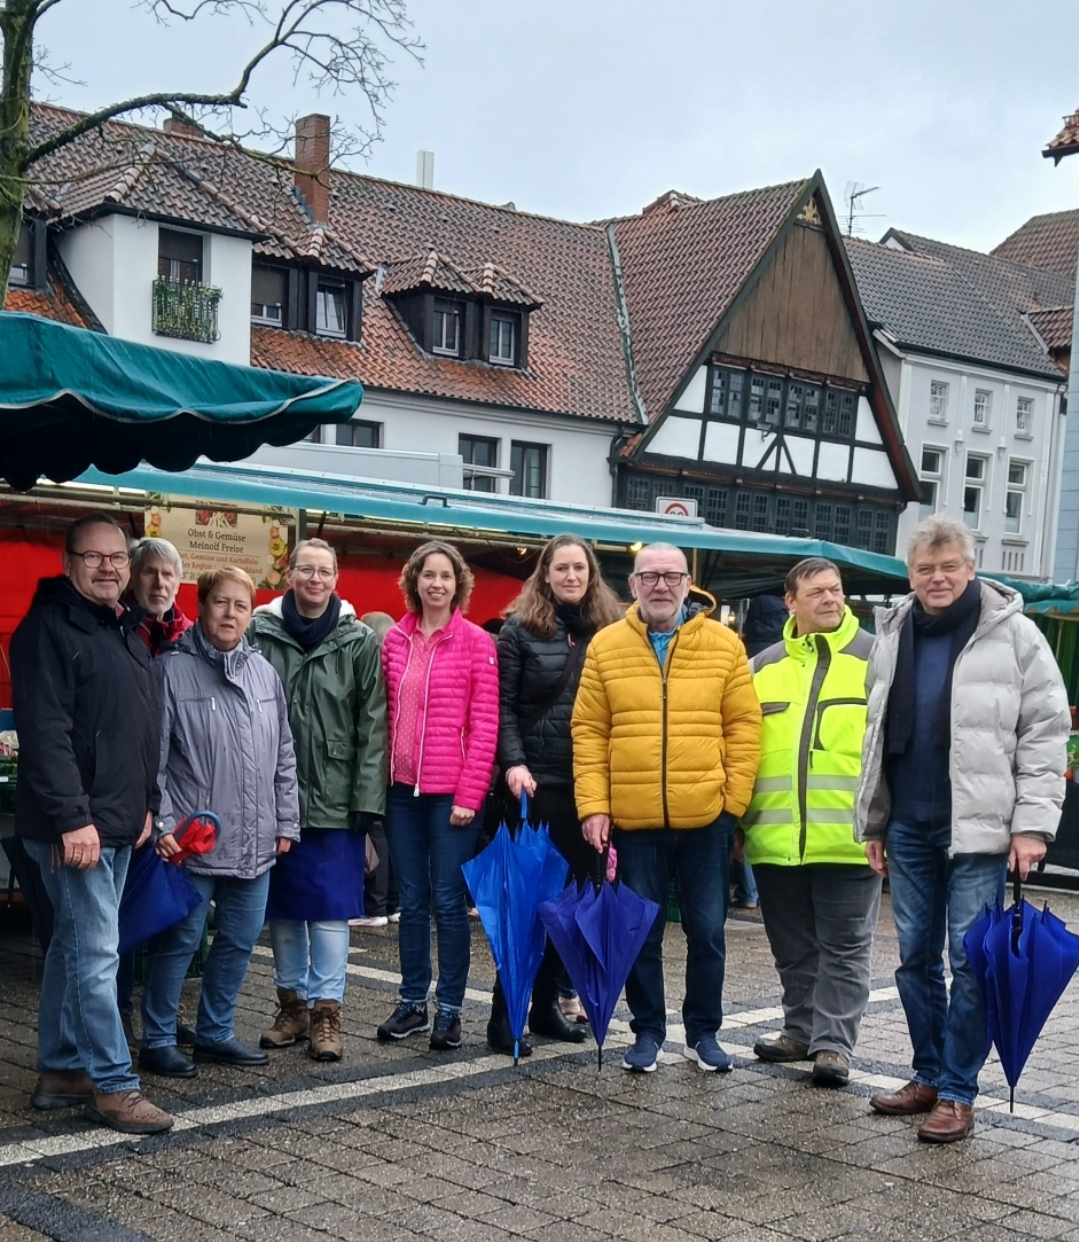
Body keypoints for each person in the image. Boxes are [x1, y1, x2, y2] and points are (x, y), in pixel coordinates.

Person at [856, 515, 1069, 1142]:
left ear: (971, 570)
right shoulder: (894, 631)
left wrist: (1033, 827)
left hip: (981, 829)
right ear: (910, 575)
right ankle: (927, 1074)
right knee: (914, 960)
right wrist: (874, 820)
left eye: (949, 567)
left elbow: (1045, 732)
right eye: (925, 568)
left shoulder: (1015, 634)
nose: (938, 578)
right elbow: (875, 736)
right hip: (908, 823)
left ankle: (956, 1092)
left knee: (970, 962)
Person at [573, 542, 762, 1074]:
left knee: (708, 932)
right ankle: (648, 1031)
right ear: (632, 584)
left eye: (672, 576)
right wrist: (594, 806)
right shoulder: (607, 646)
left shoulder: (724, 645)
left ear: (687, 584)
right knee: (640, 934)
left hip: (706, 818)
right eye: (650, 576)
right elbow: (589, 731)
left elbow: (744, 726)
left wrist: (731, 802)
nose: (661, 585)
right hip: (634, 821)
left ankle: (704, 1032)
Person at [11, 513, 172, 1134]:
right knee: (97, 953)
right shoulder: (48, 630)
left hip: (117, 821)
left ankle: (61, 1069)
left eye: (118, 557)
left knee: (73, 947)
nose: (109, 567)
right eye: (94, 556)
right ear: (68, 563)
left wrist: (146, 804)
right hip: (74, 829)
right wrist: (72, 819)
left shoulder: (125, 630)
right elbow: (45, 734)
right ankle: (114, 1085)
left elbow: (141, 728)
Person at [139, 566, 300, 1078]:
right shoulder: (170, 670)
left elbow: (284, 755)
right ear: (202, 606)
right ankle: (157, 1039)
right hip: (193, 840)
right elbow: (153, 759)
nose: (231, 614)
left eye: (241, 605)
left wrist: (286, 822)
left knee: (239, 939)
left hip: (255, 838)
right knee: (181, 942)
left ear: (251, 614)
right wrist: (164, 824)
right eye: (220, 602)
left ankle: (214, 1033)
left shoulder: (264, 673)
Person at [743, 558, 880, 1088]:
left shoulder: (876, 659)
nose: (830, 599)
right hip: (777, 836)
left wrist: (885, 823)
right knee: (793, 947)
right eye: (817, 591)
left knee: (845, 948)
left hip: (850, 837)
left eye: (836, 590)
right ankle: (800, 1031)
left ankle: (833, 1046)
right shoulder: (762, 667)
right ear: (791, 601)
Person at [251, 539, 387, 1062]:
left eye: (324, 571)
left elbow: (373, 724)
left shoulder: (358, 641)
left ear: (336, 579)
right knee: (284, 909)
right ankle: (291, 1008)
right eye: (305, 569)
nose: (314, 578)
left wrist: (367, 798)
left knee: (331, 910)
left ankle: (327, 1013)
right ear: (289, 575)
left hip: (336, 795)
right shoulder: (260, 633)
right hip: (273, 794)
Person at [488, 533, 622, 1055]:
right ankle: (506, 1013)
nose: (570, 576)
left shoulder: (610, 632)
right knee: (525, 906)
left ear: (591, 575)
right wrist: (514, 763)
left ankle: (545, 1006)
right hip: (533, 788)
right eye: (561, 568)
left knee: (571, 906)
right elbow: (502, 707)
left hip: (588, 791)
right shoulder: (518, 630)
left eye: (579, 568)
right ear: (545, 574)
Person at [376, 541, 499, 1051]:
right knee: (411, 900)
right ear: (414, 581)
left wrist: (471, 793)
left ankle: (449, 1010)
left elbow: (485, 724)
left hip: (453, 794)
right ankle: (412, 1003)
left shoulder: (476, 642)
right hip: (402, 791)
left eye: (446, 576)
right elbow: (382, 713)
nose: (437, 584)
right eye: (428, 574)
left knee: (448, 901)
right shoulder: (394, 640)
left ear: (458, 584)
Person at [116, 537, 195, 1048]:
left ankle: (161, 1016)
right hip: (126, 796)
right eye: (150, 572)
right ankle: (118, 1014)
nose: (160, 582)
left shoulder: (188, 638)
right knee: (124, 917)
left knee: (168, 914)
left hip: (177, 801)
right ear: (132, 577)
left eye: (168, 574)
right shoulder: (119, 629)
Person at [356, 610, 399, 928]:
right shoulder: (399, 671)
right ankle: (392, 903)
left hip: (377, 765)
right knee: (390, 836)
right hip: (395, 767)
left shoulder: (373, 675)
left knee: (376, 833)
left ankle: (376, 905)